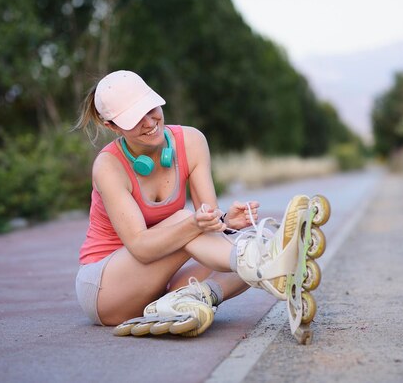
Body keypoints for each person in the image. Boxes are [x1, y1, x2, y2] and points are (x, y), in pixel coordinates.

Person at [73, 70, 311, 337]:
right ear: (112, 126)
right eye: (133, 118)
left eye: (150, 108)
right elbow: (141, 247)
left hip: (158, 285)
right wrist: (197, 222)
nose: (149, 121)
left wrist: (224, 222)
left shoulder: (192, 141)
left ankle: (198, 295)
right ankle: (263, 263)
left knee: (246, 233)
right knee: (184, 220)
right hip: (107, 289)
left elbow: (207, 222)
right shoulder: (109, 166)